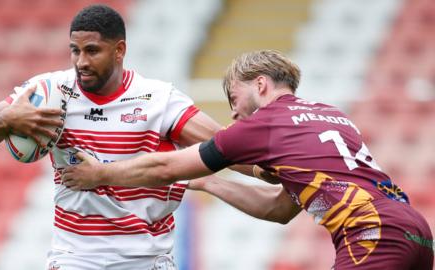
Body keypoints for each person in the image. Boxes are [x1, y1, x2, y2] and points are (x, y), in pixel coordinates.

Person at [61, 50, 434, 269]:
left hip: (371, 235)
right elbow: (280, 208)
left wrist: (98, 173)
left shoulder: (264, 124)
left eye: (233, 100)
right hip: (416, 232)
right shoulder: (329, 114)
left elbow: (164, 166)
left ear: (260, 85)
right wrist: (207, 182)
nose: (235, 116)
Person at [0, 4, 252, 270]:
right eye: (75, 50)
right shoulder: (49, 92)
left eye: (92, 50)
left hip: (145, 258)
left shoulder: (157, 100)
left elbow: (226, 147)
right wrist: (6, 119)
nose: (81, 61)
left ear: (119, 50)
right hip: (75, 257)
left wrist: (273, 167)